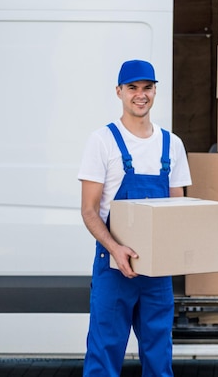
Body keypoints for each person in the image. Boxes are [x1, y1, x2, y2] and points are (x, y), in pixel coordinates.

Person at [78, 60, 192, 377]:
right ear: (119, 92)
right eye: (132, 88)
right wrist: (116, 248)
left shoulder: (172, 145)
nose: (140, 95)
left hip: (156, 271)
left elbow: (177, 211)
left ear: (155, 91)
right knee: (104, 353)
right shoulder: (102, 141)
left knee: (159, 356)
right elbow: (89, 210)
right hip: (114, 266)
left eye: (147, 88)